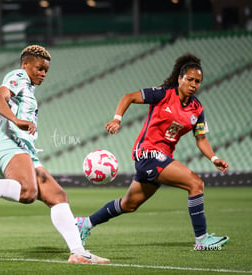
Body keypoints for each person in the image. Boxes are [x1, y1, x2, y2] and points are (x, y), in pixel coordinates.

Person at [0, 45, 109, 264]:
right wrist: (16, 121)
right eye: (39, 68)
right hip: (9, 145)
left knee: (57, 196)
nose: (43, 73)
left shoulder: (29, 89)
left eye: (46, 70)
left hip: (25, 150)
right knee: (27, 193)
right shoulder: (18, 77)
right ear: (25, 64)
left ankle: (78, 253)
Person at [76, 53, 229, 251]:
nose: (193, 84)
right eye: (190, 79)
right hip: (148, 153)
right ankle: (202, 240)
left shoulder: (197, 109)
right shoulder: (164, 94)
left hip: (163, 158)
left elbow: (201, 139)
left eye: (197, 81)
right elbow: (129, 97)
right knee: (196, 184)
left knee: (128, 204)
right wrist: (117, 119)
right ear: (180, 79)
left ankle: (84, 224)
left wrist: (214, 158)